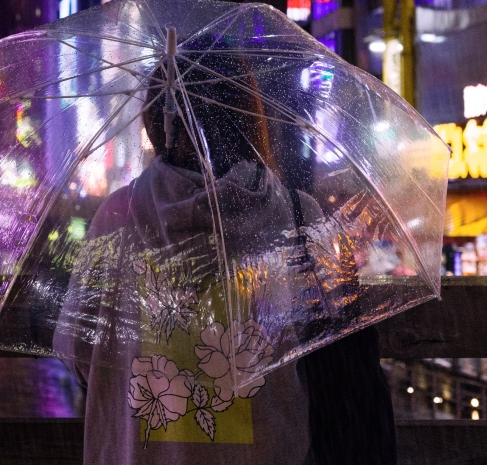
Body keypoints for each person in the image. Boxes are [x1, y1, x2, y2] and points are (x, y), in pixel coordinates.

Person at [54, 40, 396, 464]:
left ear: (160, 122)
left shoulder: (116, 219)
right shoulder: (297, 216)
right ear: (249, 118)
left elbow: (76, 353)